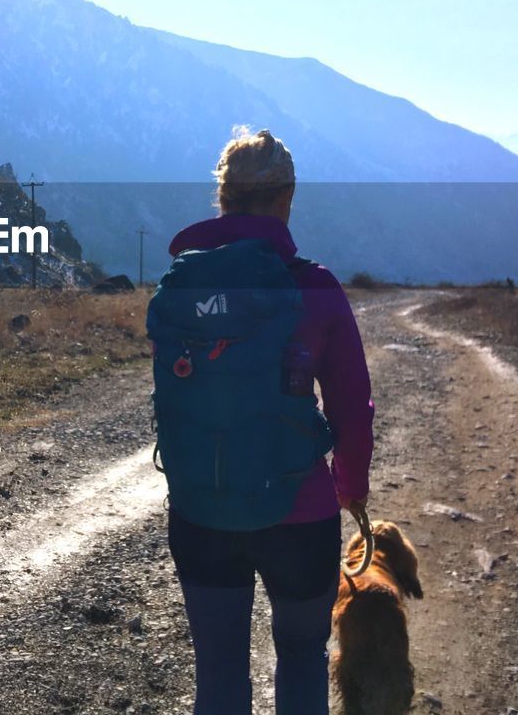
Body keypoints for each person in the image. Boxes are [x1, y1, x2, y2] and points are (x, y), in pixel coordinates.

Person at [154, 128, 374, 714]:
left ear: (222, 199)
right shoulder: (316, 287)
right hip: (299, 513)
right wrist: (351, 488)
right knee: (302, 658)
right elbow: (352, 406)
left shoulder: (183, 284)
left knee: (219, 674)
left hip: (202, 507)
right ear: (287, 198)